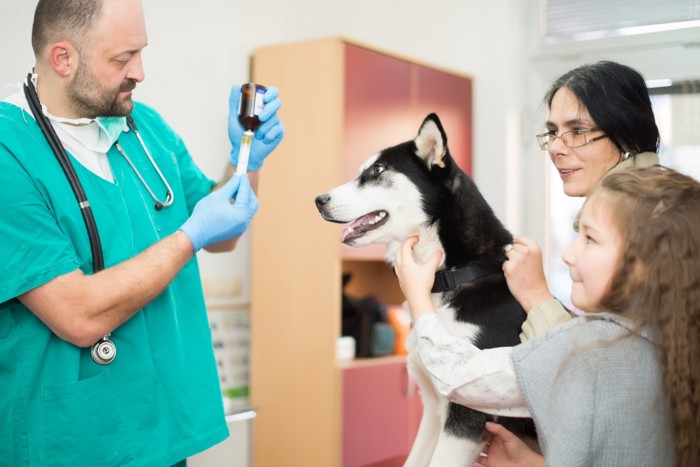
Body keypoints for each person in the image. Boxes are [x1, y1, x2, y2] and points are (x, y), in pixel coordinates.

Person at [0, 0, 284, 465]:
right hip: (73, 439)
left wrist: (247, 157)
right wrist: (188, 236)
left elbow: (222, 232)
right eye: (122, 58)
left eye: (141, 52)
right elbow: (77, 316)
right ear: (63, 58)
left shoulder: (144, 127)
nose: (140, 72)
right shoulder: (8, 150)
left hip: (163, 426)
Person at [395, 166, 700, 466]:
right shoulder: (674, 342)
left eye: (590, 239)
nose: (568, 254)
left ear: (640, 267)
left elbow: (458, 378)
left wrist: (418, 295)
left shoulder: (588, 348)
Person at [508, 60, 661, 341]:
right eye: (553, 132)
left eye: (577, 131)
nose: (555, 147)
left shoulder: (641, 214)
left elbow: (592, 368)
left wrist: (535, 294)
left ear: (627, 136)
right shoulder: (649, 197)